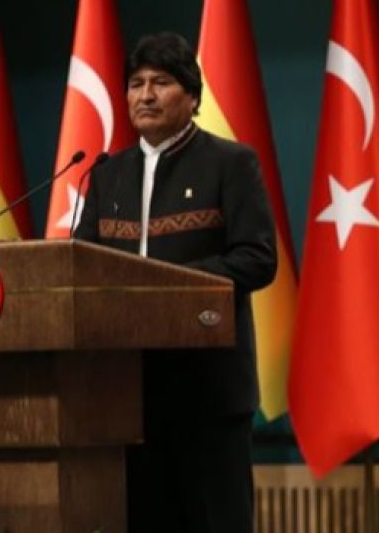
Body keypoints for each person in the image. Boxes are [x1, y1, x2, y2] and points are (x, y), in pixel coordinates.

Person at [74, 32, 277, 531]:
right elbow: (81, 267)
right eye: (136, 83)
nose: (145, 95)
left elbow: (257, 259)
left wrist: (167, 286)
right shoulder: (106, 173)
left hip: (209, 394)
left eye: (161, 83)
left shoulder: (231, 163)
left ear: (192, 96)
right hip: (128, 394)